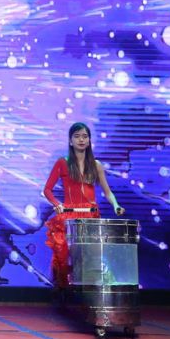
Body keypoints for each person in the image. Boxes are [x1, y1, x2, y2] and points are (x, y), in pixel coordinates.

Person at [43, 122, 125, 288]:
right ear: (70, 140)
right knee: (63, 257)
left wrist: (116, 205)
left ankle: (91, 294)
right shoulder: (62, 163)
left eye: (84, 136)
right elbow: (47, 190)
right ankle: (63, 293)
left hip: (90, 217)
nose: (81, 140)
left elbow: (107, 191)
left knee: (91, 259)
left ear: (89, 141)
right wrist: (57, 204)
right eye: (77, 136)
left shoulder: (96, 165)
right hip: (68, 216)